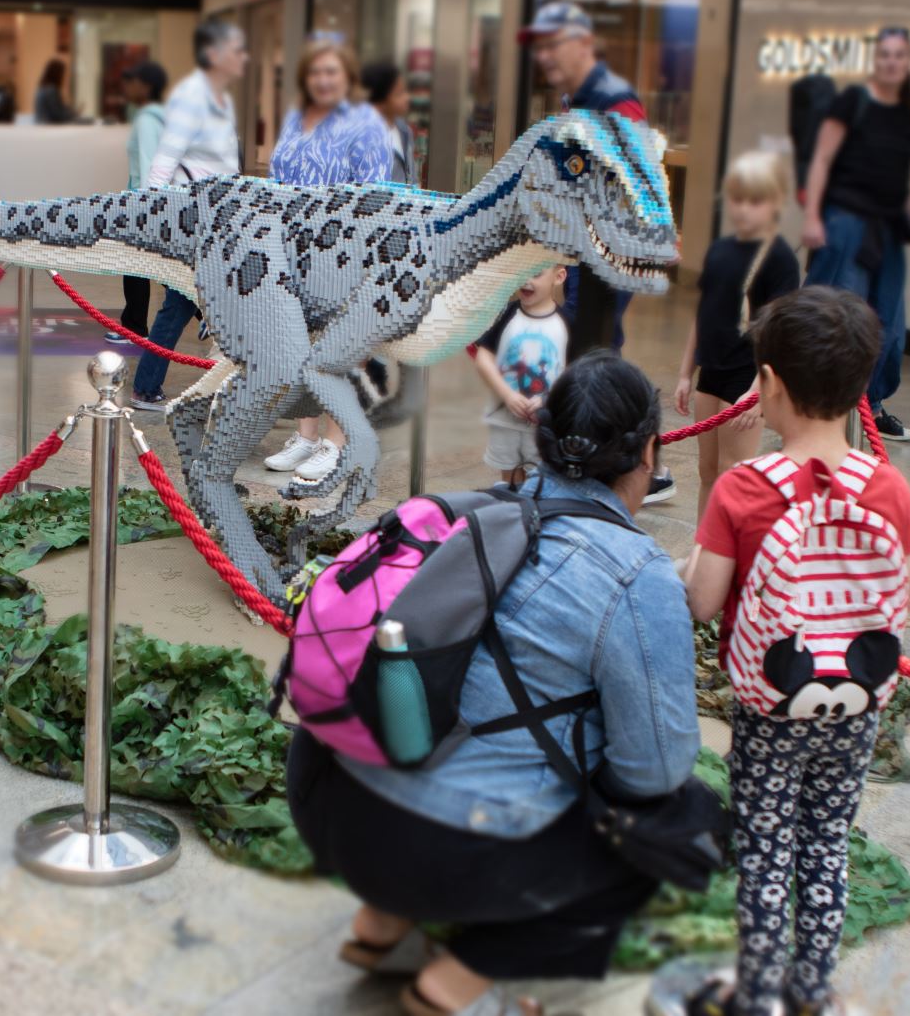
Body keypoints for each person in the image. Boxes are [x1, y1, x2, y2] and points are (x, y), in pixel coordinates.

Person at [289, 351, 698, 1016]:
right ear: (649, 451)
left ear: (542, 436)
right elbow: (655, 768)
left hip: (326, 799)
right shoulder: (635, 573)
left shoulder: (463, 512)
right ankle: (461, 983)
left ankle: (382, 920)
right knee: (672, 828)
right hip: (449, 848)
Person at [681, 286, 910, 1016]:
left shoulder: (743, 489)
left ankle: (758, 996)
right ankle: (812, 990)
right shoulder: (885, 486)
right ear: (860, 389)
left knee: (764, 849)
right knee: (824, 846)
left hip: (769, 706)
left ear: (770, 386)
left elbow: (702, 600)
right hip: (854, 708)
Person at [520, 0, 675, 506]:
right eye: (539, 47)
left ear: (584, 44)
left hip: (604, 261)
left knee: (594, 356)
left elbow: (636, 180)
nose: (544, 56)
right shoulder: (580, 99)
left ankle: (626, 467)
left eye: (552, 44)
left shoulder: (613, 101)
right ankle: (603, 462)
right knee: (585, 354)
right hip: (584, 254)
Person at [258, 40, 389, 480]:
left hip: (341, 254)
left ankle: (337, 440)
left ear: (347, 75)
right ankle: (306, 436)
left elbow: (374, 196)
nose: (323, 80)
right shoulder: (297, 118)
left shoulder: (365, 123)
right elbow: (277, 179)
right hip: (295, 253)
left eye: (332, 72)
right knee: (302, 346)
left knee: (340, 350)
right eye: (315, 72)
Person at [801, 27, 910, 444]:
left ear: (907, 61)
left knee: (889, 327)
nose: (892, 62)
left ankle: (871, 408)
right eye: (885, 55)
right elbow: (823, 158)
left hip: (889, 229)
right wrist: (813, 218)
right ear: (876, 59)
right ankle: (818, 408)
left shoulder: (905, 113)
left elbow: (907, 181)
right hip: (847, 223)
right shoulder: (853, 102)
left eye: (899, 55)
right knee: (838, 316)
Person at [673, 151, 799, 521]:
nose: (744, 209)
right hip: (711, 372)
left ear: (775, 203)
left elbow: (779, 332)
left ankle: (730, 560)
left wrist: (758, 394)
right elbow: (705, 312)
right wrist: (685, 372)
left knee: (734, 475)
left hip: (747, 377)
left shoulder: (780, 259)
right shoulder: (721, 250)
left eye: (755, 201)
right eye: (738, 199)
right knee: (707, 473)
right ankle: (704, 550)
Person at [128, 19, 247, 412]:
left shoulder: (220, 101)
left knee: (192, 305)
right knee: (179, 305)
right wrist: (150, 217)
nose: (243, 57)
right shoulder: (193, 98)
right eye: (237, 50)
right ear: (214, 55)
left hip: (221, 223)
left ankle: (218, 383)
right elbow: (163, 163)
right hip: (195, 225)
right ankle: (148, 388)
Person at [473, 266, 569, 487]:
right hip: (504, 419)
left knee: (542, 480)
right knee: (510, 481)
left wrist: (549, 398)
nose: (526, 280)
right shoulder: (507, 314)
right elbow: (484, 357)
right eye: (521, 272)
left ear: (559, 276)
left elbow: (575, 371)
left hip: (545, 424)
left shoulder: (566, 323)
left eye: (536, 274)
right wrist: (507, 395)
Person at [108, 60, 168, 345]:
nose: (127, 87)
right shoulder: (155, 117)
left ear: (146, 86)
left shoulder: (146, 121)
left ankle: (134, 327)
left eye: (132, 82)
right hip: (149, 200)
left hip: (144, 202)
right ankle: (134, 325)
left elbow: (147, 166)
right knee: (148, 267)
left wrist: (144, 207)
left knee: (138, 265)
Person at [360, 60, 419, 186]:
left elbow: (411, 176)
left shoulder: (404, 130)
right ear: (379, 99)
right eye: (399, 93)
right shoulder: (361, 136)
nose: (407, 98)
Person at [33, 58, 82, 125]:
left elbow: (57, 109)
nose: (64, 77)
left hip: (41, 125)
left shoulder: (41, 88)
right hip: (49, 128)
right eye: (62, 73)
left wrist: (69, 110)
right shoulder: (51, 90)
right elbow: (58, 114)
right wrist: (74, 113)